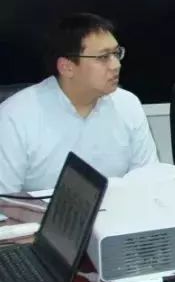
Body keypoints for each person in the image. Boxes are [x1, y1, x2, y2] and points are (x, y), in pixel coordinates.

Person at [0, 13, 157, 193]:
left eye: (116, 53)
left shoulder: (128, 104)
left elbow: (148, 181)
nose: (116, 65)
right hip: (42, 212)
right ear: (67, 67)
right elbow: (4, 201)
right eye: (103, 57)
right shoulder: (15, 117)